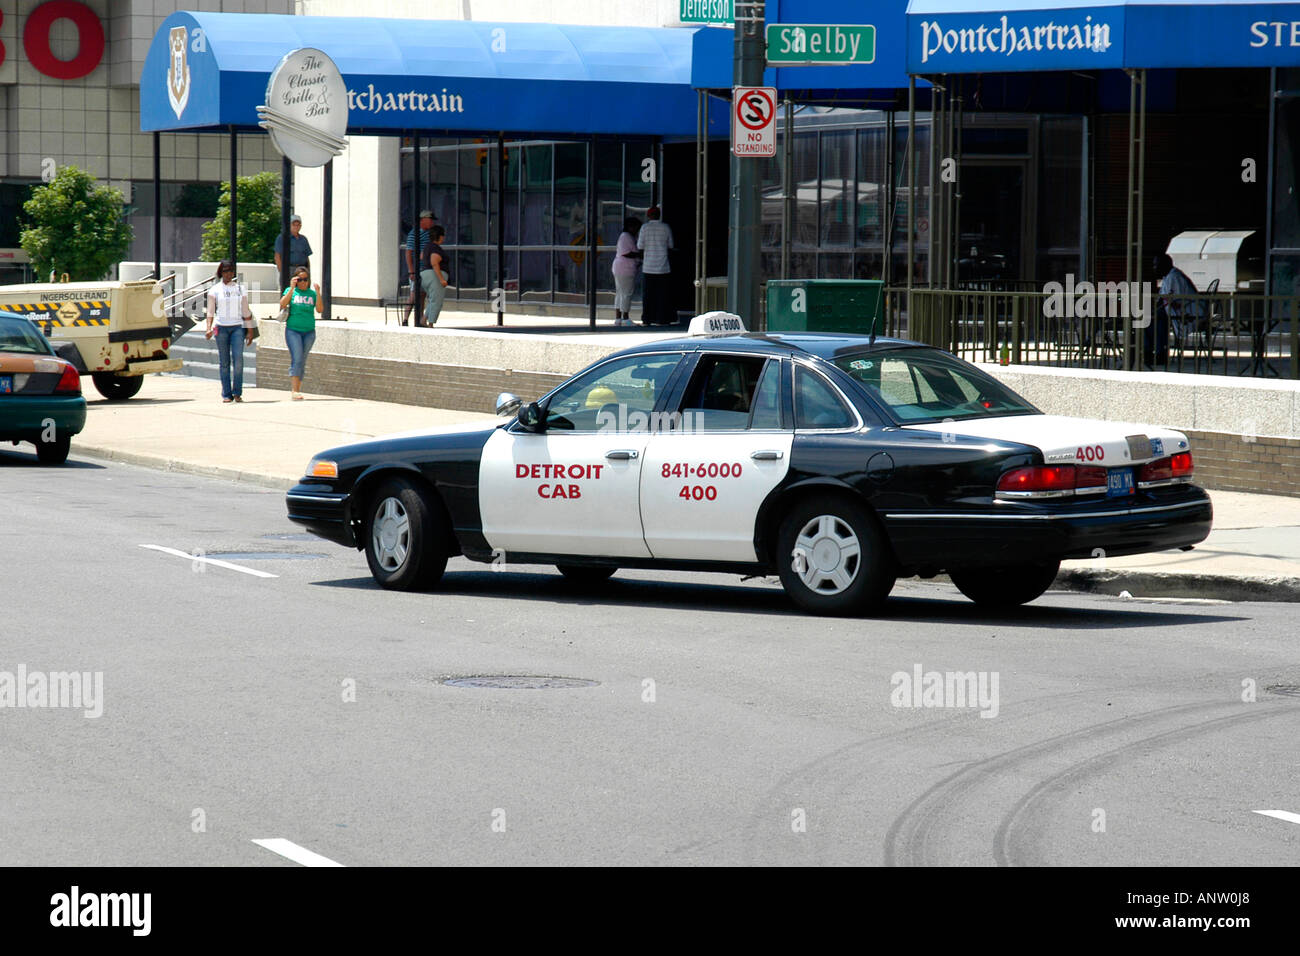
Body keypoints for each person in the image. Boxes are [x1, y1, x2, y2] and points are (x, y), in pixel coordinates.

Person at [204, 260, 254, 403]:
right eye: (225, 271)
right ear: (221, 273)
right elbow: (211, 311)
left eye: (231, 271)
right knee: (224, 362)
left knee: (238, 359)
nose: (228, 274)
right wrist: (208, 328)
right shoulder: (215, 289)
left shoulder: (239, 289)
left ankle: (237, 392)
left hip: (237, 326)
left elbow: (245, 310)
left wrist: (249, 330)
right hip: (221, 327)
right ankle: (226, 393)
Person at [279, 265, 323, 400]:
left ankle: (298, 387)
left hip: (309, 331)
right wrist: (292, 288)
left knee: (302, 360)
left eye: (306, 279)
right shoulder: (291, 291)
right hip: (293, 330)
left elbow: (320, 310)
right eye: (300, 280)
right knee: (297, 357)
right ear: (295, 280)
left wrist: (318, 292)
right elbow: (282, 304)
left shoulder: (312, 294)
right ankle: (294, 390)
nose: (303, 282)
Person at [1155, 252, 1198, 364]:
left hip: (1187, 312)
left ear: (1164, 265)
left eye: (1156, 265)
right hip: (1177, 310)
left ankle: (1160, 352)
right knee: (1152, 317)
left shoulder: (1174, 277)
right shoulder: (1168, 277)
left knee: (1156, 319)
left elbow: (1172, 299)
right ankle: (1154, 350)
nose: (1154, 268)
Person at [637, 205, 675, 326]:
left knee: (648, 295)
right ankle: (662, 319)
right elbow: (671, 245)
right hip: (663, 267)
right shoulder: (665, 227)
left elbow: (639, 246)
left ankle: (647, 319)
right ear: (659, 215)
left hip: (648, 267)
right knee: (662, 295)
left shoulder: (644, 228)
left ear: (648, 216)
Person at [403, 210, 436, 326]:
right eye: (430, 220)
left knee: (422, 296)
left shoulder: (429, 234)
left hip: (426, 269)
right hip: (417, 270)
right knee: (413, 295)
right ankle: (405, 319)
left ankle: (420, 319)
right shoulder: (414, 233)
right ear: (423, 220)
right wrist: (411, 271)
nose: (432, 222)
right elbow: (408, 253)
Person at [419, 224, 450, 326]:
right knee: (437, 301)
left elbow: (421, 257)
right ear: (440, 236)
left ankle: (424, 320)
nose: (444, 238)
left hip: (424, 275)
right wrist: (441, 279)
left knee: (433, 300)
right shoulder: (436, 248)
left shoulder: (427, 247)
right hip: (434, 276)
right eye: (443, 235)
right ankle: (430, 323)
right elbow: (434, 261)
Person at [612, 217, 640, 327]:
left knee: (620, 293)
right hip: (625, 268)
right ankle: (625, 318)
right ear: (630, 227)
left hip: (619, 267)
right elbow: (627, 253)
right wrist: (640, 254)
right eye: (636, 227)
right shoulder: (627, 237)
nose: (637, 230)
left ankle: (618, 318)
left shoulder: (624, 236)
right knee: (626, 293)